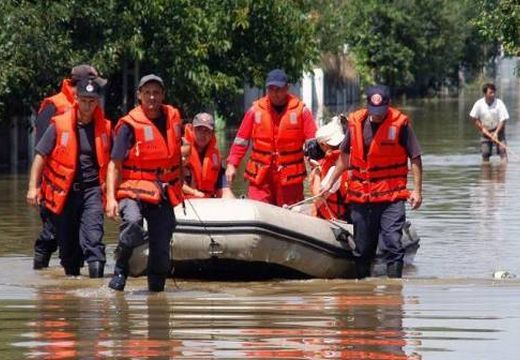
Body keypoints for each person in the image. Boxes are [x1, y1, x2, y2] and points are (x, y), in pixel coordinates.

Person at [321, 85, 423, 279]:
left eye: (381, 112)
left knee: (393, 244)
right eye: (373, 112)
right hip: (362, 196)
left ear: (389, 105)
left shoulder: (400, 124)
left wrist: (417, 191)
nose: (377, 116)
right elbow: (344, 157)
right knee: (362, 250)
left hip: (391, 196)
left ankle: (395, 294)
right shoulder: (355, 123)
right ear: (367, 105)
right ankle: (364, 293)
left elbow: (415, 157)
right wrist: (330, 182)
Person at [26, 78, 111, 278]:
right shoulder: (59, 125)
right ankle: (72, 296)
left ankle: (98, 293)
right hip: (64, 192)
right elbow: (40, 155)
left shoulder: (106, 128)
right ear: (76, 99)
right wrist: (32, 187)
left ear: (97, 101)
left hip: (92, 191)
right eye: (84, 100)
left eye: (92, 101)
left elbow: (115, 163)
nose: (88, 105)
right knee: (69, 252)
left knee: (94, 240)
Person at [106, 74, 183, 292]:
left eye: (156, 92)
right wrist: (111, 198)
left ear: (163, 95)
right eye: (147, 92)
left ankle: (156, 296)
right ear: (139, 95)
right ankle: (121, 267)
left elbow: (178, 154)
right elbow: (114, 164)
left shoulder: (173, 118)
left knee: (161, 246)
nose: (152, 97)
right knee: (132, 221)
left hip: (161, 190)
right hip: (133, 188)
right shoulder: (128, 126)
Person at [226, 69, 317, 206]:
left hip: (289, 180)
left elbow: (314, 145)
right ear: (267, 89)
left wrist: (317, 169)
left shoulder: (301, 112)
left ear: (287, 88)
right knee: (259, 208)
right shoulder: (255, 111)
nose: (275, 93)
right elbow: (241, 141)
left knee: (290, 214)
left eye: (279, 89)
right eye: (271, 89)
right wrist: (232, 164)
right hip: (261, 179)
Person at [182, 112, 235, 199]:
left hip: (208, 201)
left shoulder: (215, 156)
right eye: (199, 129)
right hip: (187, 201)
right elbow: (174, 181)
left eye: (207, 130)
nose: (203, 134)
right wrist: (194, 192)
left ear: (212, 133)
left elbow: (222, 184)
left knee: (228, 194)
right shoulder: (182, 149)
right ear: (192, 129)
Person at [307, 116, 348, 220]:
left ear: (323, 145)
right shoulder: (345, 158)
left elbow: (318, 199)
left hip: (336, 219)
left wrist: (316, 173)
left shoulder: (335, 168)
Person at [469, 83, 510, 163]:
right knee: (485, 153)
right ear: (485, 94)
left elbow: (503, 119)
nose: (493, 94)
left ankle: (503, 171)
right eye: (490, 93)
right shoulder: (479, 104)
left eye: (494, 92)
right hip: (485, 131)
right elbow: (474, 118)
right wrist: (482, 129)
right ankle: (486, 172)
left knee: (503, 151)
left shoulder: (499, 103)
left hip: (499, 130)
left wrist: (496, 133)